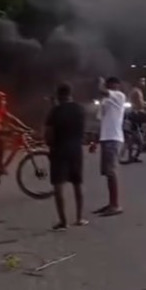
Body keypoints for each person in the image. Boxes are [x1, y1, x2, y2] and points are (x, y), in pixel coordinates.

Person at [46, 83, 88, 229]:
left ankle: (63, 221)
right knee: (77, 183)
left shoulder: (55, 111)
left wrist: (49, 145)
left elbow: (49, 133)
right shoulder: (80, 109)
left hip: (59, 149)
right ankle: (80, 218)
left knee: (58, 185)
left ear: (58, 95)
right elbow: (83, 130)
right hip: (76, 149)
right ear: (70, 94)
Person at [96, 76, 126, 216]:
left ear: (117, 85)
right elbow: (101, 120)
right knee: (107, 173)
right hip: (105, 138)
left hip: (114, 138)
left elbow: (102, 90)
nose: (110, 87)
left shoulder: (119, 96)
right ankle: (111, 203)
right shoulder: (105, 100)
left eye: (111, 84)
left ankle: (115, 205)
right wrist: (96, 140)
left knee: (111, 172)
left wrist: (100, 83)